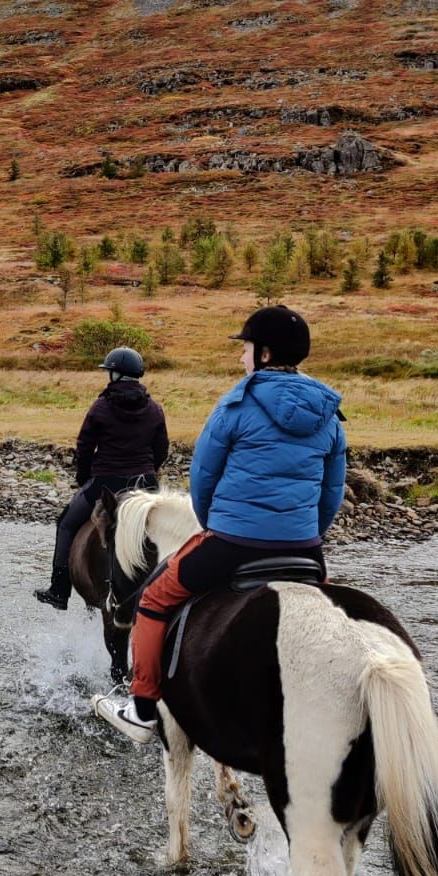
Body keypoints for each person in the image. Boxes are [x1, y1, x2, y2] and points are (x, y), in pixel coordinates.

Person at [94, 306, 346, 745]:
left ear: (265, 354)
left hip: (234, 543)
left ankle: (142, 709)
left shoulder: (235, 404)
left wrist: (214, 527)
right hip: (305, 550)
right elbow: (331, 493)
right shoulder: (329, 415)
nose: (240, 357)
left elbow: (203, 478)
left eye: (246, 348)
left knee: (153, 600)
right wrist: (308, 535)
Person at [34, 347, 169, 609]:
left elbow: (84, 447)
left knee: (66, 524)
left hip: (106, 482)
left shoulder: (101, 407)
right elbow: (161, 449)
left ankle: (59, 591)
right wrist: (148, 472)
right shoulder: (154, 409)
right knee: (168, 530)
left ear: (115, 374)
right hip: (145, 484)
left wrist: (84, 478)